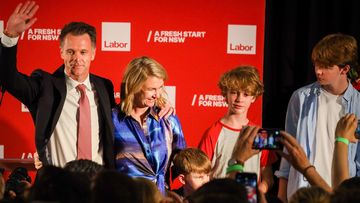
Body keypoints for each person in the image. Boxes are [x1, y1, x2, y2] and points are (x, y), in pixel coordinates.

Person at [0, 1, 174, 169]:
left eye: (83, 52)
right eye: (70, 52)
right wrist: (10, 36)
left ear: (93, 53)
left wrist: (159, 104)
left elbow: (128, 114)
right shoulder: (44, 86)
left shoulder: (104, 87)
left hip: (98, 187)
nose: (77, 58)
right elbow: (8, 78)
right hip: (59, 185)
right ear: (61, 52)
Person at [275, 33, 360, 202]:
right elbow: (289, 146)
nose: (318, 71)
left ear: (344, 69)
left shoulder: (358, 103)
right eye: (316, 64)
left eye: (326, 66)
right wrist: (282, 192)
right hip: (304, 192)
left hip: (343, 194)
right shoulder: (301, 97)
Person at [112, 56, 186, 195]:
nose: (157, 95)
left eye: (160, 88)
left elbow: (183, 162)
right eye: (152, 89)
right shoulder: (113, 120)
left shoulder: (167, 119)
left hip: (161, 197)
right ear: (134, 86)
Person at [198, 66, 276, 193]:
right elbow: (201, 175)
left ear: (254, 97)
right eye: (234, 92)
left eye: (246, 94)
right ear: (225, 94)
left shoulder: (261, 135)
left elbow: (268, 178)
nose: (239, 99)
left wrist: (256, 194)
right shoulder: (213, 132)